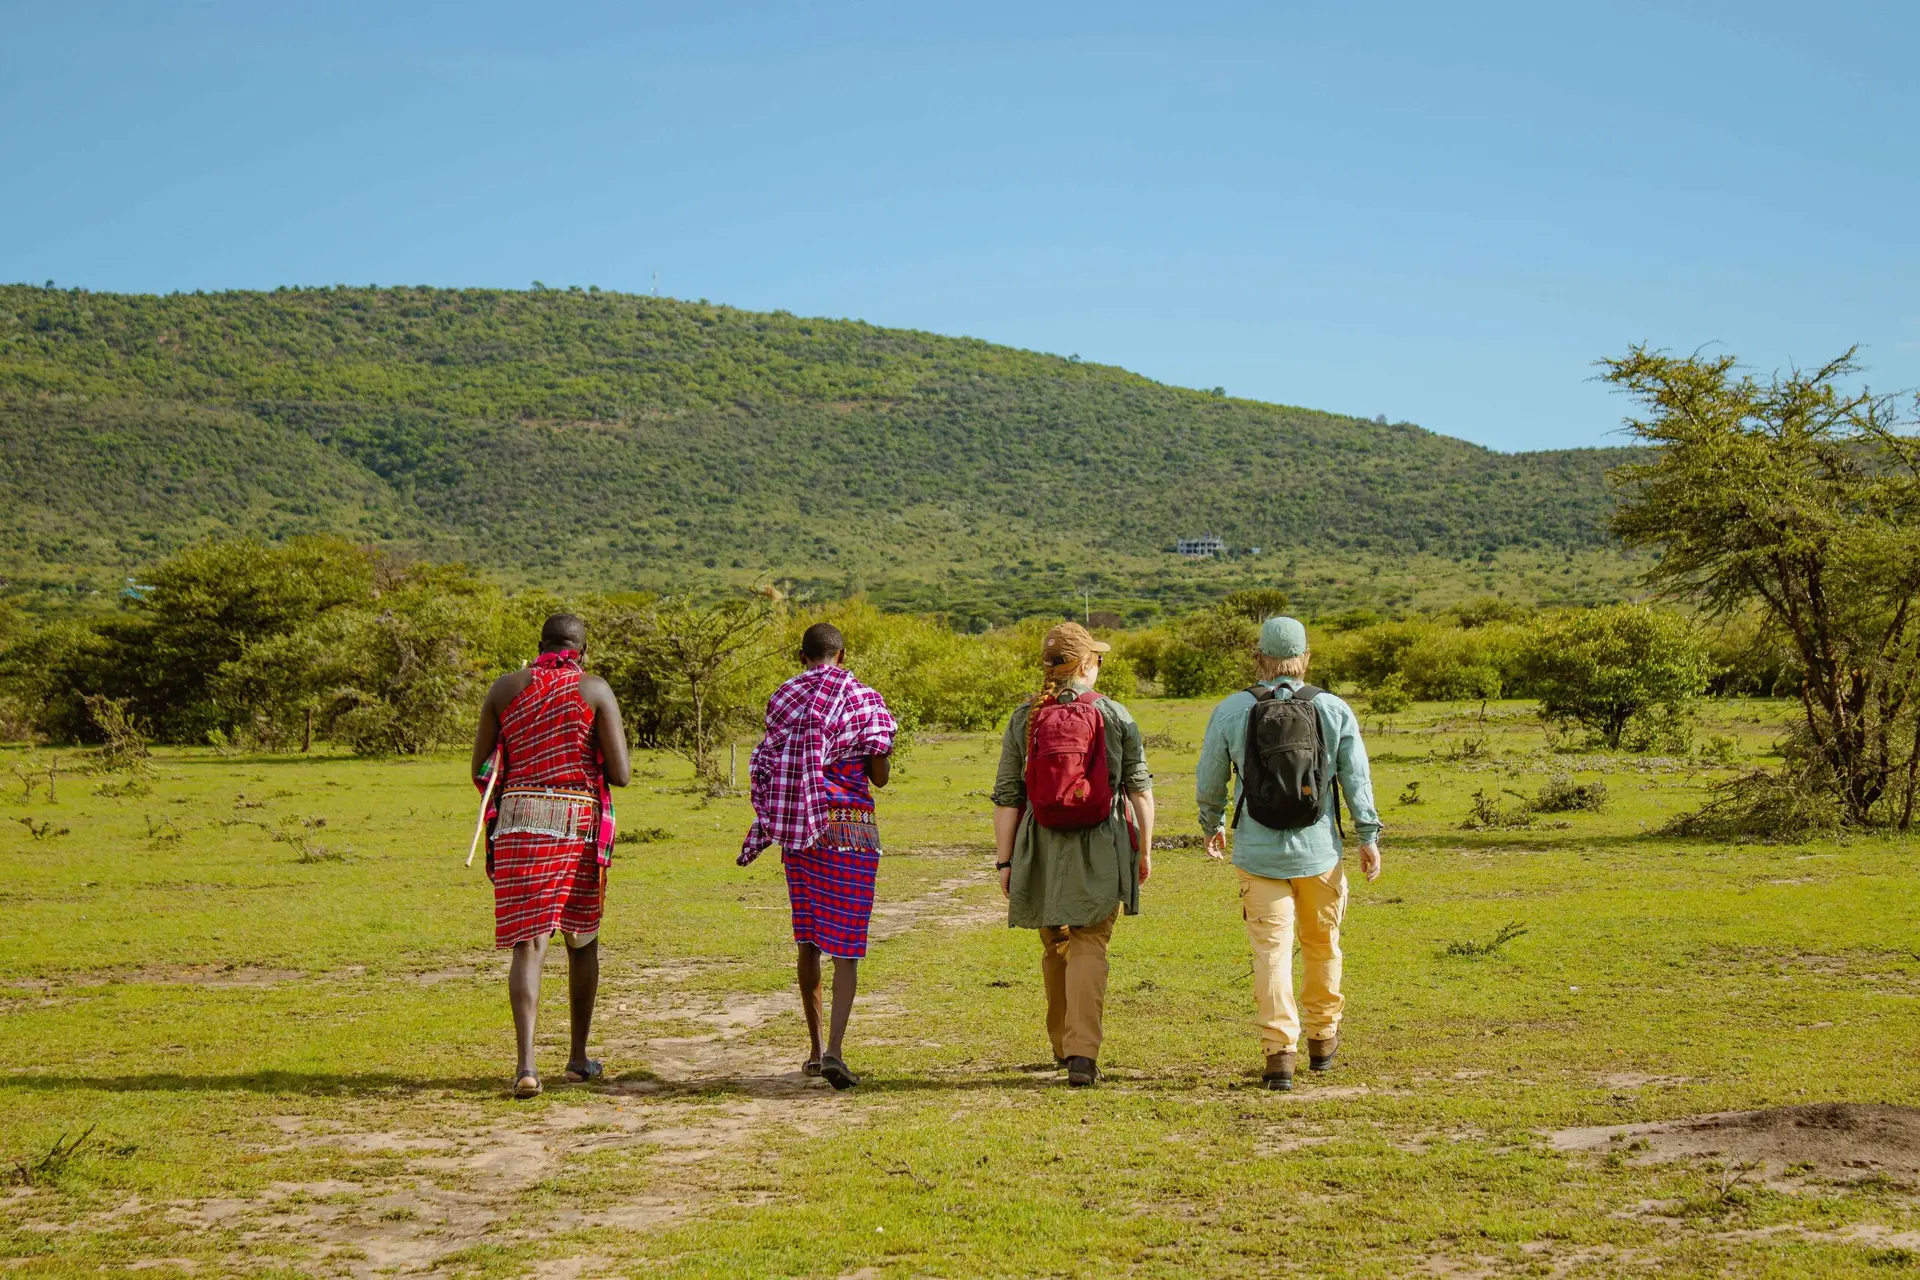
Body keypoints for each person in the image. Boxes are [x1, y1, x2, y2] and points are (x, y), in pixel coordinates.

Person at [1194, 615, 1382, 1091]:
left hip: (1257, 854)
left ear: (1259, 657)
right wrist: (1368, 836)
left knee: (1271, 953)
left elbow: (1210, 777)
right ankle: (1323, 1037)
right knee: (1323, 944)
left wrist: (1212, 824)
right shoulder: (1333, 708)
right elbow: (1356, 779)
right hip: (1320, 853)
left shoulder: (1232, 709)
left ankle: (1280, 1053)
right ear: (1305, 659)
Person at [470, 613, 631, 1098]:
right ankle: (578, 1060)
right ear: (583, 649)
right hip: (576, 824)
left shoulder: (504, 688)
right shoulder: (594, 688)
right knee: (581, 939)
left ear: (538, 644)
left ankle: (525, 1066)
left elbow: (481, 767)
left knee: (529, 942)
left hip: (518, 820)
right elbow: (620, 773)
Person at [991, 622, 1155, 1088]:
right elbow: (1138, 789)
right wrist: (1143, 849)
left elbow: (1008, 797)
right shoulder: (1116, 713)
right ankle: (1083, 1055)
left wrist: (1005, 863)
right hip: (1102, 843)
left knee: (1056, 942)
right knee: (1090, 942)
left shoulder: (1025, 716)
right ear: (1085, 665)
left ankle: (1063, 1046)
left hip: (1039, 844)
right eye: (1097, 658)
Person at [738, 622, 897, 1091]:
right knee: (846, 944)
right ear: (842, 654)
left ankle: (811, 1051)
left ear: (800, 654)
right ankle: (835, 1051)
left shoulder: (784, 697)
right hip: (851, 830)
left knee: (807, 936)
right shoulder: (865, 698)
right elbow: (881, 775)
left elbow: (772, 756)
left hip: (800, 827)